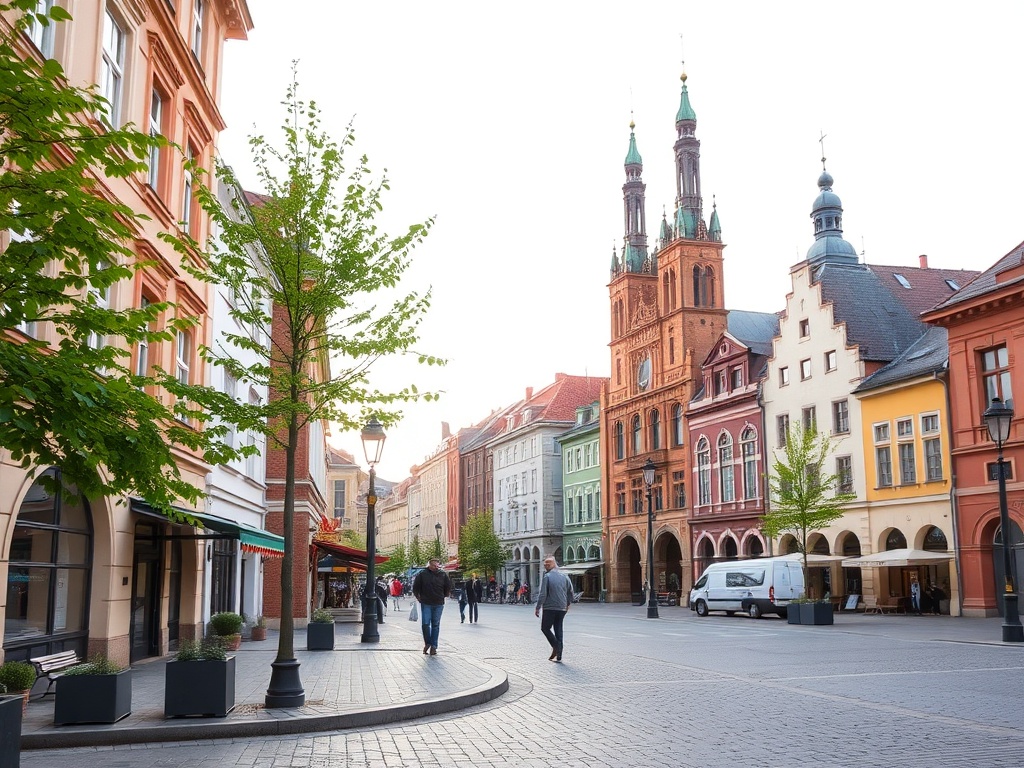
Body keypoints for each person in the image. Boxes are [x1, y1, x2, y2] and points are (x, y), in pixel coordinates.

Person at [535, 555, 573, 662]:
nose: (546, 565)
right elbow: (571, 591)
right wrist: (568, 603)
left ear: (554, 564)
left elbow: (543, 594)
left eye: (549, 563)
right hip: (562, 608)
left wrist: (538, 607)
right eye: (545, 563)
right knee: (558, 628)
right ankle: (559, 654)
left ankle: (556, 646)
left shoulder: (547, 577)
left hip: (550, 607)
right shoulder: (564, 576)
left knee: (545, 628)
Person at [412, 557, 452, 655]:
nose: (435, 567)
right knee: (425, 624)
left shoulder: (442, 574)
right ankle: (428, 643)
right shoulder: (422, 574)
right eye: (433, 565)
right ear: (429, 565)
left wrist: (444, 595)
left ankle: (434, 646)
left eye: (437, 565)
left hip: (438, 603)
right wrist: (418, 597)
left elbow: (448, 586)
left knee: (435, 625)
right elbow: (415, 587)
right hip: (426, 602)